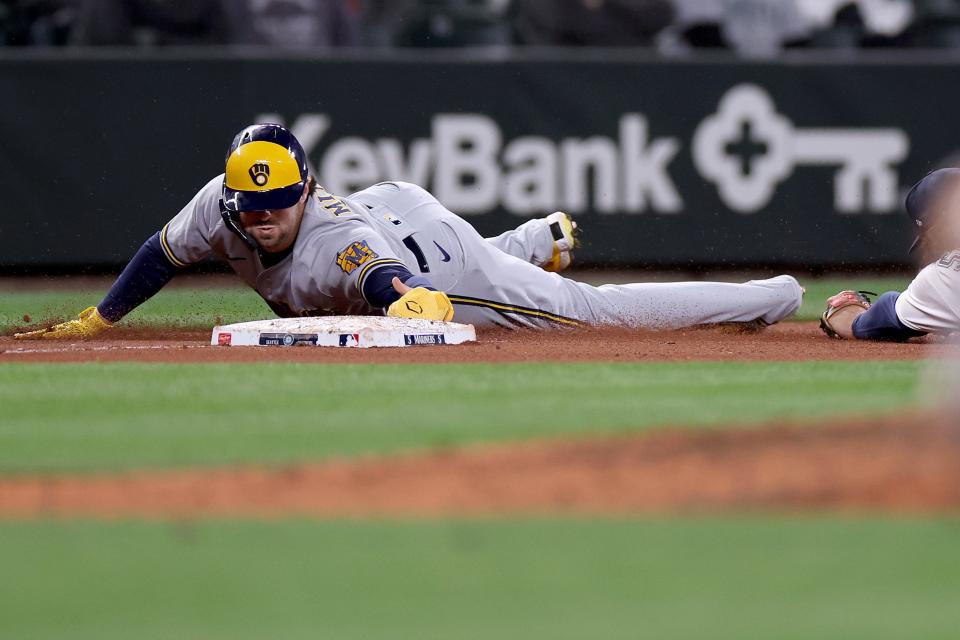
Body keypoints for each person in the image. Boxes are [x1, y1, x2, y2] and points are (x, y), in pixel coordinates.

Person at [15, 123, 803, 340]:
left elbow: (390, 283)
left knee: (590, 312)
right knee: (480, 270)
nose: (259, 216)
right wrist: (99, 317)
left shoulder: (331, 238)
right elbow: (159, 256)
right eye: (248, 205)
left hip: (432, 258)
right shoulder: (218, 202)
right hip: (402, 210)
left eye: (278, 201)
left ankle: (767, 296)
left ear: (307, 189)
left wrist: (412, 302)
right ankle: (531, 236)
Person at [820, 168, 960, 341]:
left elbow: (871, 322)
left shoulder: (943, 275)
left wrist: (851, 315)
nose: (930, 247)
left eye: (929, 237)